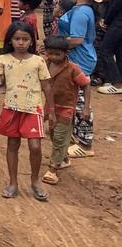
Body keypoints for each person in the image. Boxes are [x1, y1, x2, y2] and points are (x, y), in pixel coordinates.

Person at [0, 22, 54, 201]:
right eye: (17, 39)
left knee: (35, 146)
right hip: (12, 108)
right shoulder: (3, 60)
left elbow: (47, 87)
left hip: (33, 109)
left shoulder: (38, 61)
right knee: (13, 145)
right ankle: (13, 183)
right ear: (10, 40)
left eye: (25, 39)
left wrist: (51, 110)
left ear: (31, 41)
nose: (21, 43)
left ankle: (35, 181)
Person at [59, 0, 103, 156]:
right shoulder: (85, 10)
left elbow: (76, 40)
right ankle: (79, 137)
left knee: (80, 101)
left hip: (79, 58)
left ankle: (85, 143)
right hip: (83, 56)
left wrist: (56, 45)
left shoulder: (81, 12)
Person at [42, 35, 90, 185]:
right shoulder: (44, 63)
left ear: (65, 53)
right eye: (50, 53)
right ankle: (63, 158)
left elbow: (86, 85)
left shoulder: (73, 69)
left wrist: (86, 107)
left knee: (59, 138)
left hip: (66, 109)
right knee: (53, 135)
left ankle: (53, 169)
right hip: (50, 107)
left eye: (58, 54)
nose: (54, 57)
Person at [96, 0, 122, 95]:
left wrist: (106, 21)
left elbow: (116, 6)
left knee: (105, 50)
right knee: (118, 50)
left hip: (117, 23)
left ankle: (116, 83)